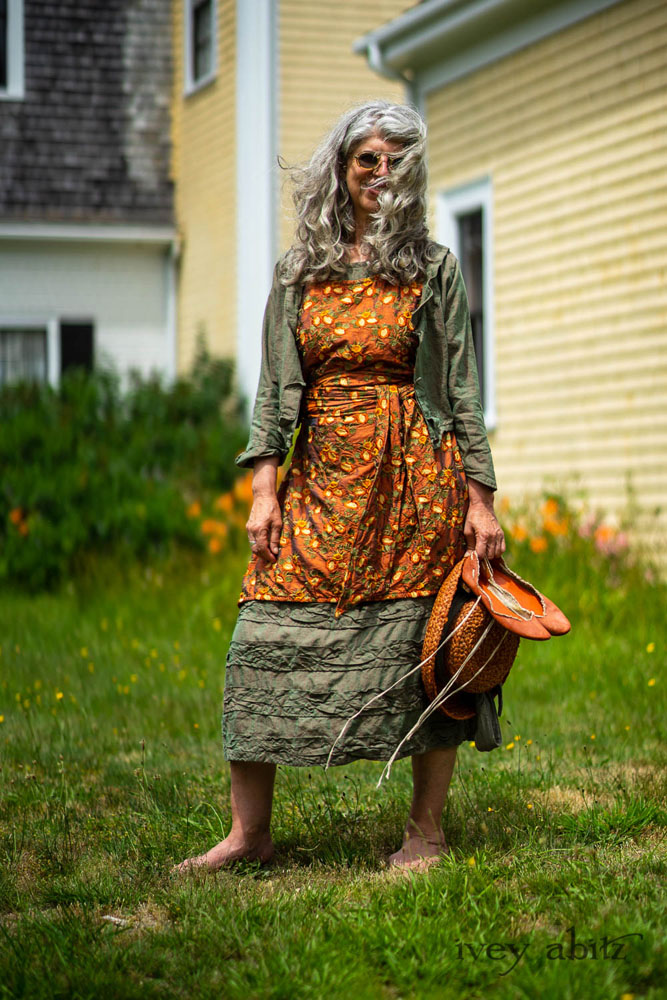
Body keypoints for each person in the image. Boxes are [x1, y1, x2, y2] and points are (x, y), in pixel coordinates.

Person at [174, 101, 505, 875]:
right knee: (258, 643)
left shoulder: (434, 267)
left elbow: (460, 386)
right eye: (367, 158)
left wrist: (479, 497)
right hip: (319, 480)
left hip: (416, 483)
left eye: (395, 159)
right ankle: (248, 835)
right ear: (342, 168)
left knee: (428, 653)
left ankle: (425, 832)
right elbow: (274, 388)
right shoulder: (300, 272)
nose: (380, 173)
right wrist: (264, 489)